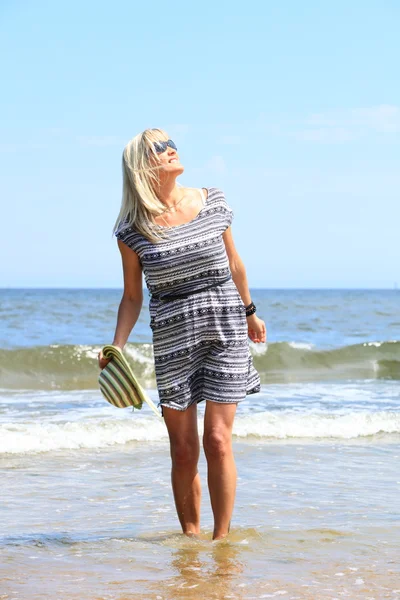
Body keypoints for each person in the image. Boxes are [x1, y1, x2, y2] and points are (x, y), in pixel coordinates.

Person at [98, 128, 267, 540]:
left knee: (217, 440)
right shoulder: (132, 230)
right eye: (159, 147)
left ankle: (222, 541)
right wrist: (115, 347)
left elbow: (235, 261)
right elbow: (132, 297)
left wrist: (250, 312)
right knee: (184, 448)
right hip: (173, 334)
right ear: (142, 165)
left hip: (225, 322)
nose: (170, 148)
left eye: (170, 142)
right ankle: (191, 543)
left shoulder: (212, 200)